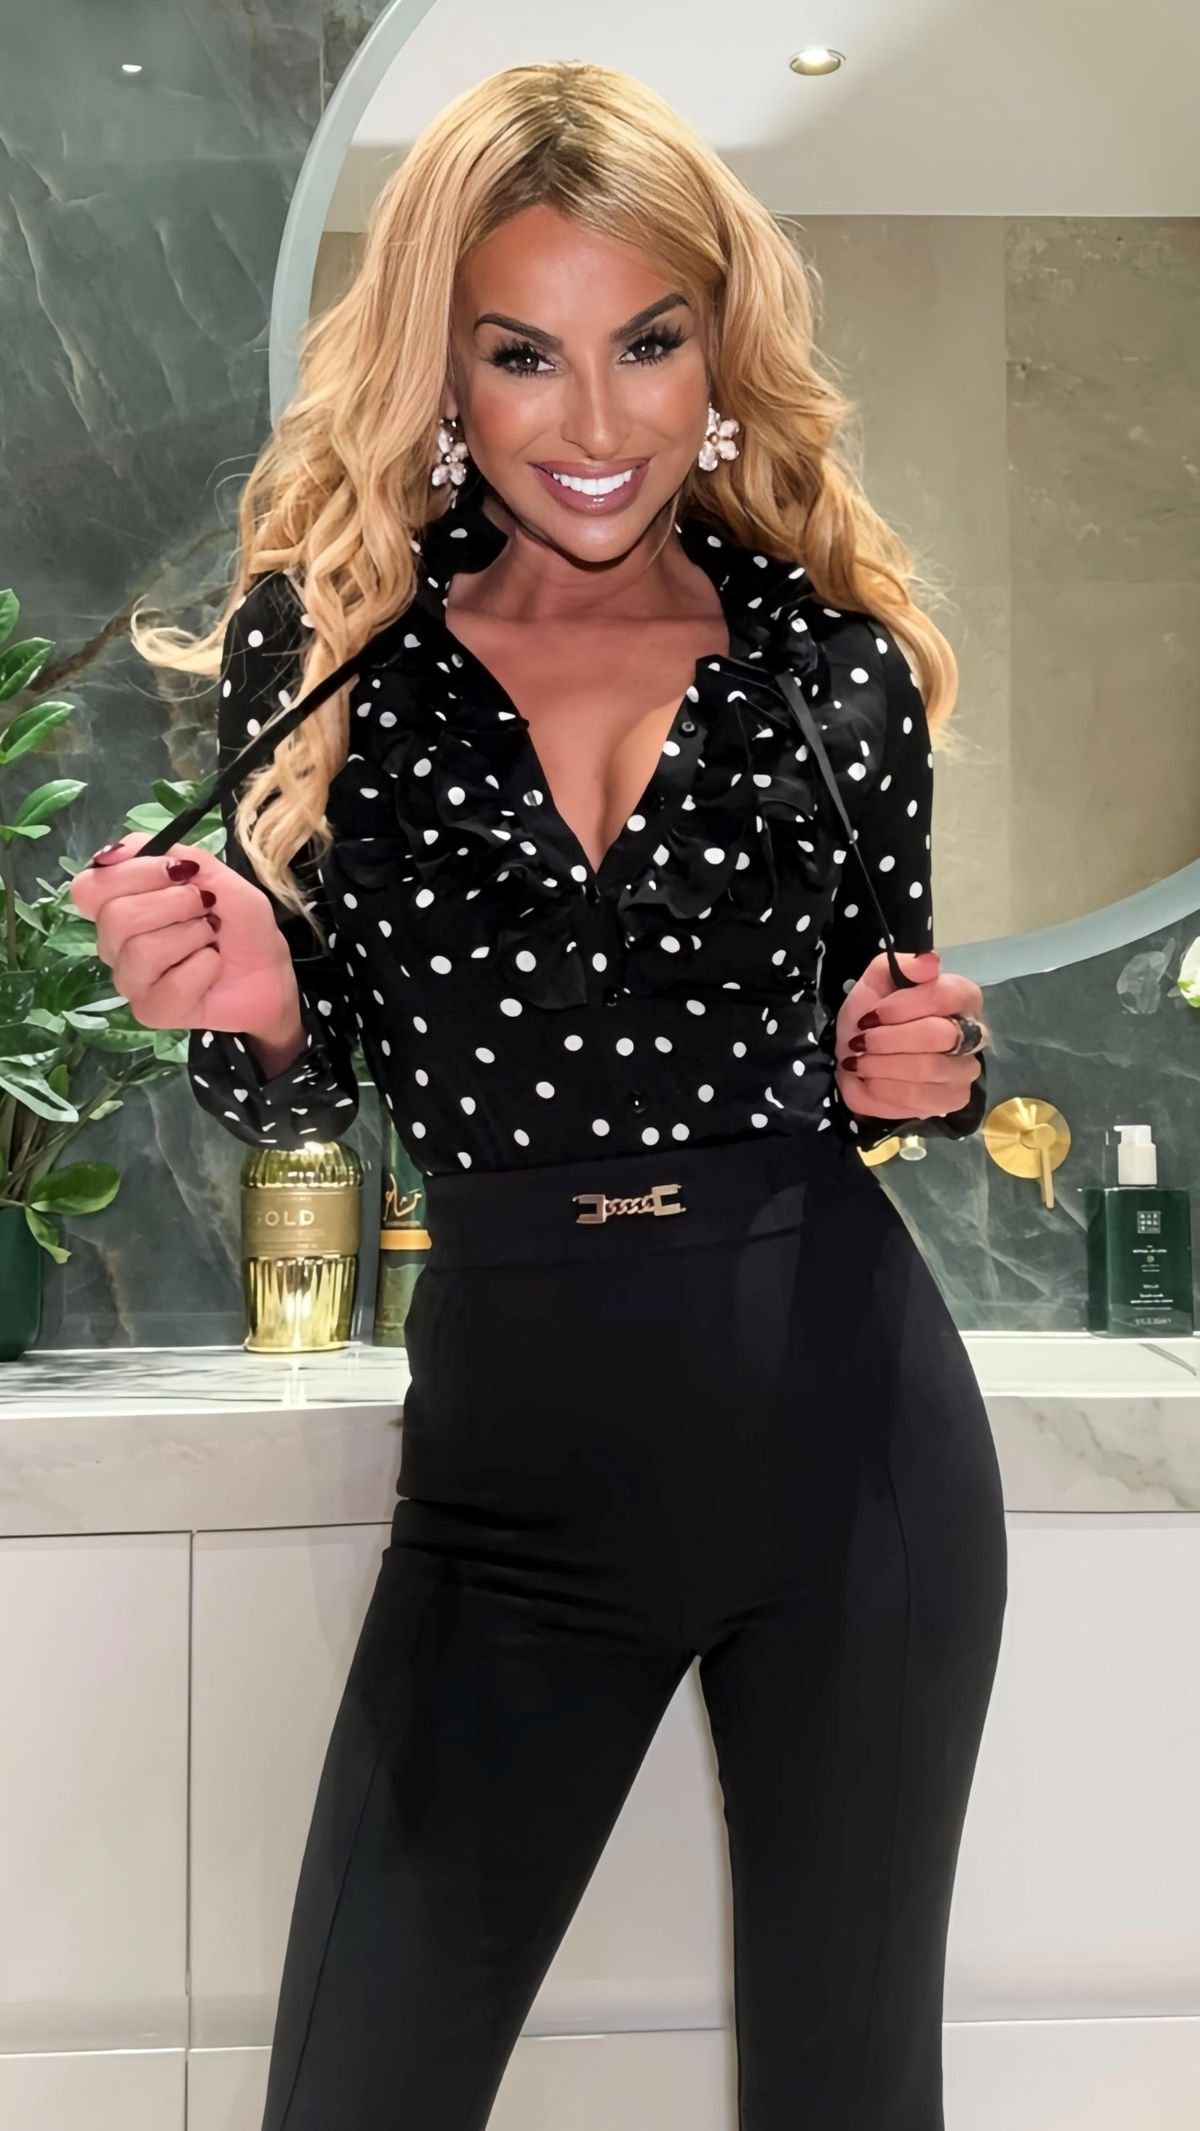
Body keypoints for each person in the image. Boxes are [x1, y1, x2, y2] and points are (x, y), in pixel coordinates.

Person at [72, 61, 1005, 2131]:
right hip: (515, 1491)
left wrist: (926, 1068)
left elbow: (894, 1051)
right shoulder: (333, 651)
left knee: (854, 2099)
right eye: (523, 353)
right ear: (445, 371)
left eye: (647, 343)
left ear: (719, 356)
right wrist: (259, 1008)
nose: (597, 420)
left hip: (854, 1450)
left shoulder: (834, 662)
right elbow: (299, 1097)